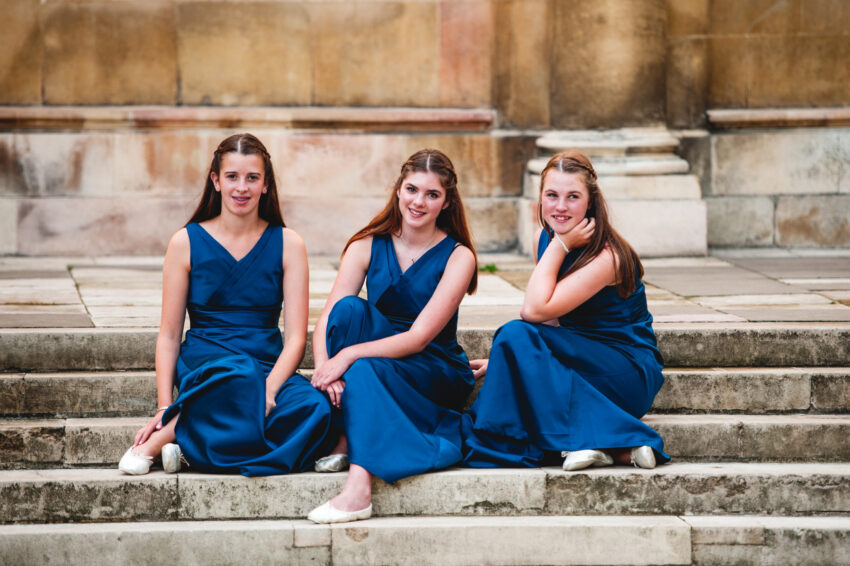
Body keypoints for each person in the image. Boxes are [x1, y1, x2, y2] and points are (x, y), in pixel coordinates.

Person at [118, 133, 336, 476]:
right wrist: (164, 405)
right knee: (239, 374)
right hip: (209, 366)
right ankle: (167, 433)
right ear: (216, 181)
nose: (242, 187)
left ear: (266, 185)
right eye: (232, 176)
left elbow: (295, 338)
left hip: (266, 367)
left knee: (314, 407)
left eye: (252, 178)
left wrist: (269, 389)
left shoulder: (289, 244)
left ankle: (190, 443)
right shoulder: (185, 242)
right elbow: (170, 335)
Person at [462, 150, 668, 472]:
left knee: (515, 332)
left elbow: (533, 311)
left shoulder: (608, 257)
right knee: (515, 343)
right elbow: (552, 322)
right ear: (540, 199)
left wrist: (560, 245)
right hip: (581, 361)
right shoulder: (541, 240)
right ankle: (605, 447)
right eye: (552, 195)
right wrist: (514, 359)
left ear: (590, 202)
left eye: (573, 196)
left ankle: (617, 437)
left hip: (625, 373)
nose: (560, 206)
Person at [306, 149, 478, 524]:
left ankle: (358, 487)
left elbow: (418, 338)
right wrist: (325, 368)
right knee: (349, 310)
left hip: (431, 366)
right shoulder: (366, 244)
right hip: (378, 353)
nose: (419, 201)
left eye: (432, 194)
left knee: (364, 367)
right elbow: (327, 320)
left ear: (446, 202)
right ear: (398, 189)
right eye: (412, 189)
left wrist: (347, 357)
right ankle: (349, 434)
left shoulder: (458, 256)